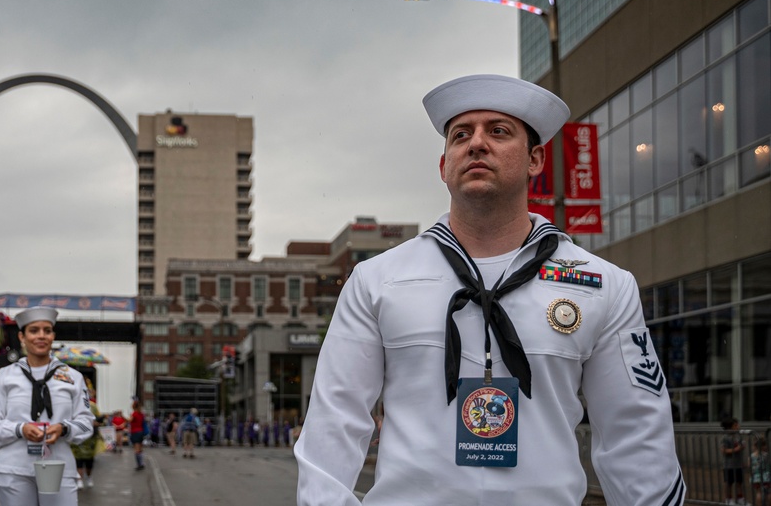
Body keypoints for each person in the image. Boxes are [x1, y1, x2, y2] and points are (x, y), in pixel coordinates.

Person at [295, 75, 685, 506]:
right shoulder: (376, 281)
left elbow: (636, 433)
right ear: (444, 166)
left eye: (498, 131)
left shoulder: (604, 285)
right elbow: (333, 424)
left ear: (535, 159)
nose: (476, 143)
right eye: (461, 135)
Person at [0, 306, 95, 506]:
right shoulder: (5, 377)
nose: (41, 336)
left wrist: (64, 428)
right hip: (13, 469)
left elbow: (87, 423)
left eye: (47, 330)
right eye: (34, 331)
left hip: (57, 467)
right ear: (22, 337)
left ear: (53, 336)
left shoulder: (73, 378)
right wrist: (20, 429)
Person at [69, 379, 105, 489]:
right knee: (78, 460)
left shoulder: (93, 406)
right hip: (77, 436)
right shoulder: (72, 404)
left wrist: (95, 423)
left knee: (89, 461)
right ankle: (79, 479)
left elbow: (99, 421)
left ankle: (88, 477)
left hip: (90, 438)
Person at [722, 417, 746, 505]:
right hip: (729, 465)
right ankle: (728, 499)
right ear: (729, 427)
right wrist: (736, 449)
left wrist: (742, 446)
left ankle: (740, 498)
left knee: (739, 482)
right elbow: (724, 450)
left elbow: (742, 444)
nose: (738, 427)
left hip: (738, 464)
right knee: (729, 483)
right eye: (735, 425)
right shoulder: (725, 437)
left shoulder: (738, 435)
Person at [752, 434, 770, 506]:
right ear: (764, 445)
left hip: (756, 477)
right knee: (768, 492)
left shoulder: (752, 456)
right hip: (766, 477)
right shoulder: (767, 455)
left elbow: (749, 465)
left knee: (759, 493)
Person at [128, 398, 146, 470]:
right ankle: (141, 463)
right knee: (140, 448)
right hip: (141, 431)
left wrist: (122, 416)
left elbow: (130, 420)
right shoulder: (141, 414)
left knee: (136, 449)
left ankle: (139, 464)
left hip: (135, 432)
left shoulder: (134, 413)